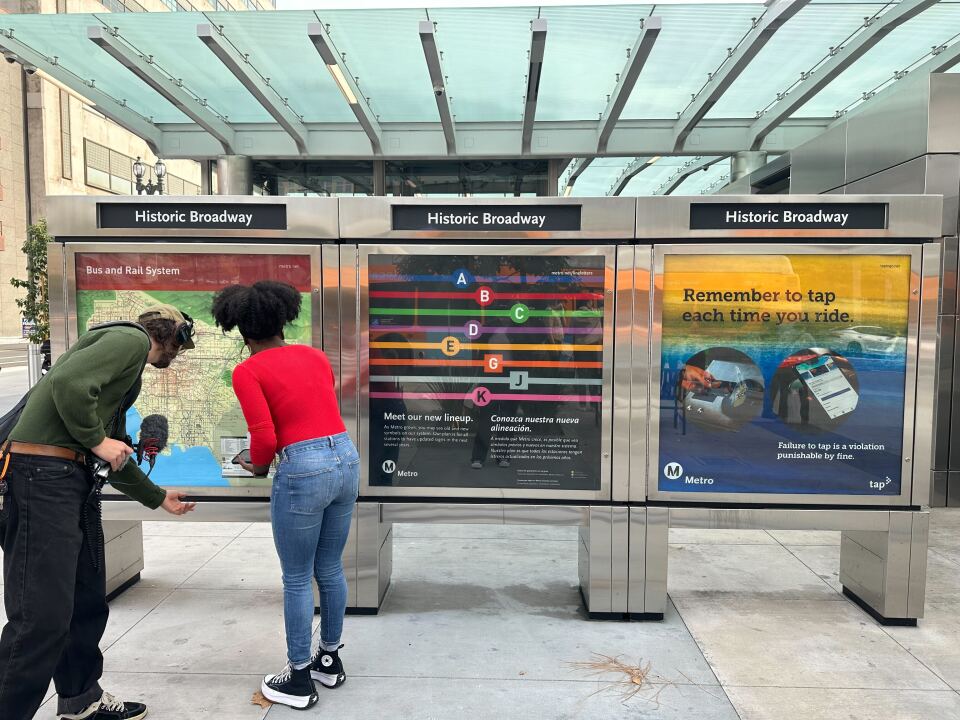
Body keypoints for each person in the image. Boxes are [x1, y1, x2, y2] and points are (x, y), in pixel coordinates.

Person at [0, 304, 198, 720]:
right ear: (168, 334)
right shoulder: (131, 339)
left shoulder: (128, 372)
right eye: (180, 344)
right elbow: (71, 383)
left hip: (68, 481)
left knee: (86, 602)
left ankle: (81, 700)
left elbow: (116, 450)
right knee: (42, 615)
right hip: (42, 478)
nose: (178, 355)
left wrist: (157, 496)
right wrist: (96, 439)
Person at [211, 281, 358, 711]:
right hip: (346, 459)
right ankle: (328, 659)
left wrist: (253, 464)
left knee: (296, 577)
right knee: (329, 567)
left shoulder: (248, 370)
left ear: (242, 331)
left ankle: (297, 677)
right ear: (282, 319)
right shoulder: (315, 356)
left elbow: (264, 437)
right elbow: (316, 408)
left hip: (303, 469)